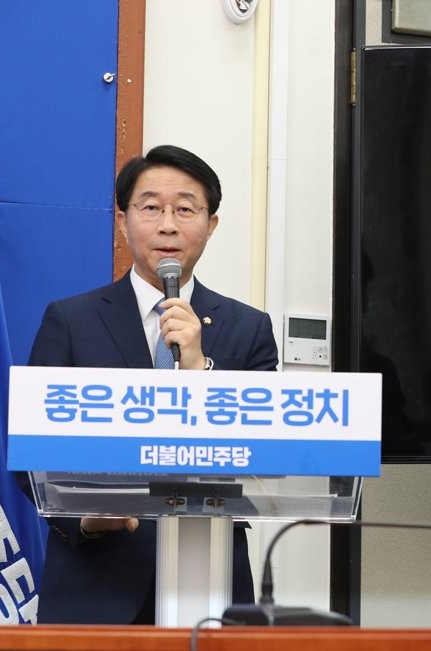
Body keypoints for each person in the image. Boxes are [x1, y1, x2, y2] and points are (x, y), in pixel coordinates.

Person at [25, 145, 279, 624]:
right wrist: (84, 519)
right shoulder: (72, 321)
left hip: (214, 582)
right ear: (123, 221)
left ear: (211, 224)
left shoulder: (249, 329)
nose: (168, 225)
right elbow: (29, 453)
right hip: (96, 586)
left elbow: (267, 456)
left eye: (185, 209)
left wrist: (199, 369)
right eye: (150, 208)